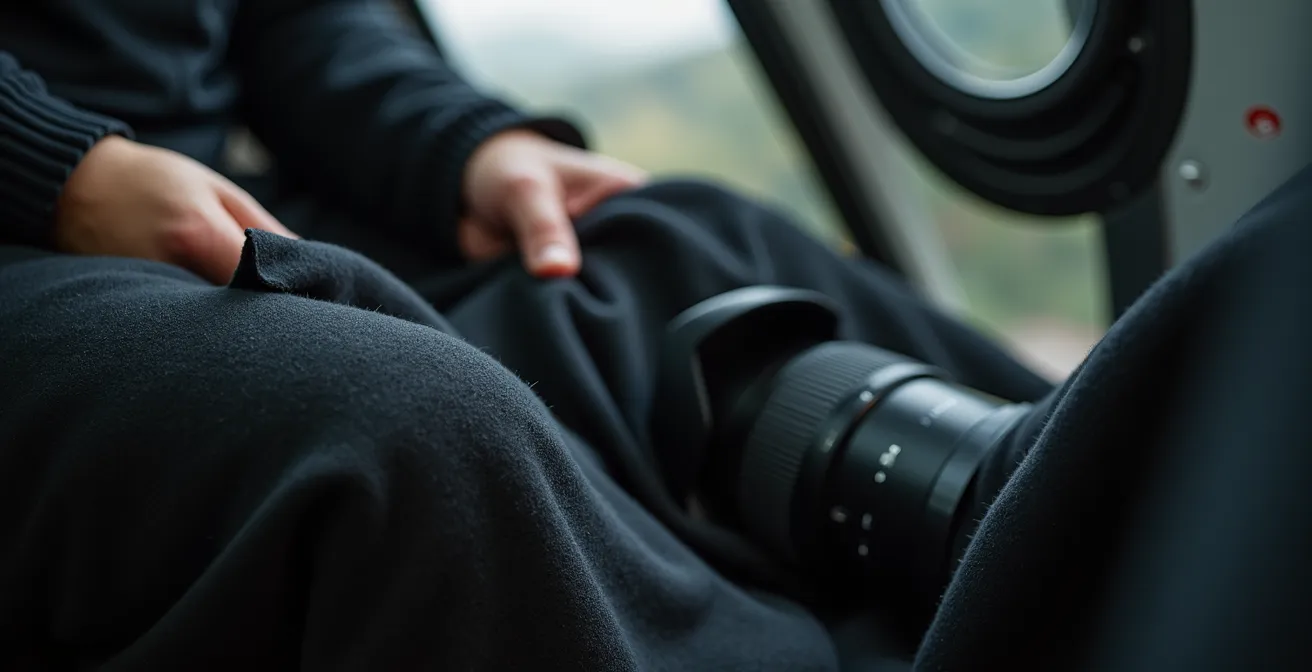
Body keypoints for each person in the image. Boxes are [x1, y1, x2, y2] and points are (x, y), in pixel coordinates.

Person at [2, 2, 1310, 671]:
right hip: (43, 228)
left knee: (676, 244)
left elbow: (293, 23)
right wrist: (53, 168)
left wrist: (471, 147)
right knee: (390, 436)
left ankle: (1078, 536)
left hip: (199, 199)